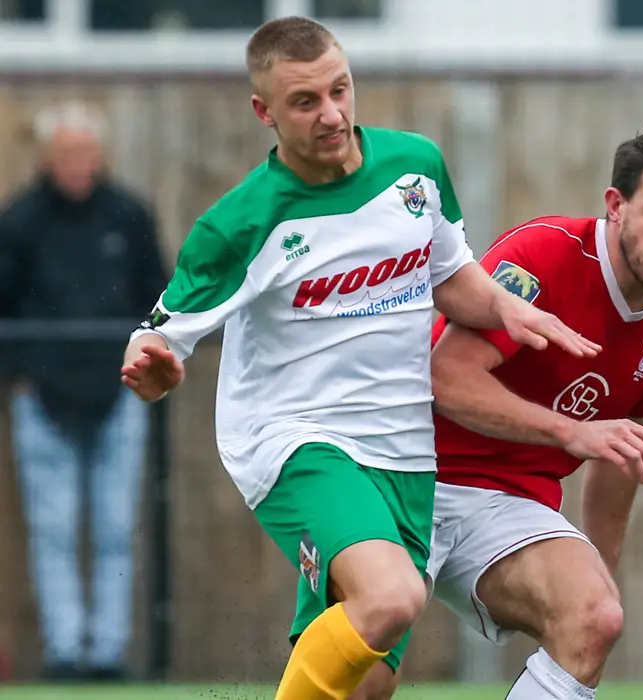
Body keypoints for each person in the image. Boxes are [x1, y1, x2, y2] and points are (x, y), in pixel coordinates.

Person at [118, 16, 612, 700]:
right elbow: (156, 340)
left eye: (340, 90)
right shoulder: (240, 224)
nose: (332, 114)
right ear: (264, 111)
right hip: (299, 443)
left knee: (365, 685)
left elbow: (450, 277)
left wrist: (508, 308)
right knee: (392, 598)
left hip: (404, 453)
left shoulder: (414, 167)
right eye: (305, 102)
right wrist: (155, 371)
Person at [350, 122, 643, 700]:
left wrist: (598, 574)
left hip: (507, 505)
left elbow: (618, 450)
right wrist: (571, 432)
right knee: (364, 680)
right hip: (400, 476)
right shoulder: (545, 254)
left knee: (595, 618)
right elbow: (446, 379)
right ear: (616, 205)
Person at [0, 101, 167, 682]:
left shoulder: (128, 216)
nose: (77, 163)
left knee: (117, 527)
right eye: (66, 152)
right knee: (53, 528)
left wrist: (148, 366)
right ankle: (66, 650)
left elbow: (159, 298)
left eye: (86, 152)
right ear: (48, 157)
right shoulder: (18, 221)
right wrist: (22, 375)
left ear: (100, 156)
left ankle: (107, 653)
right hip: (41, 400)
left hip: (119, 393)